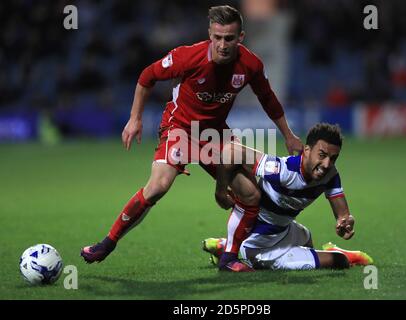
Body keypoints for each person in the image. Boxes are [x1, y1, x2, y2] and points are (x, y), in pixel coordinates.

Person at [80, 5, 303, 272]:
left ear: (240, 37)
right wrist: (135, 118)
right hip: (180, 128)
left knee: (250, 195)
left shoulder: (251, 65)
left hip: (214, 135)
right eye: (217, 37)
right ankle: (108, 242)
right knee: (159, 186)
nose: (222, 45)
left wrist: (288, 135)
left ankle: (229, 258)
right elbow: (146, 77)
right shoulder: (187, 57)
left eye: (229, 38)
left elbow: (268, 99)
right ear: (210, 34)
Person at [203, 123, 373, 270]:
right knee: (339, 261)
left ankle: (224, 246)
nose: (327, 164)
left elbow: (343, 214)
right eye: (322, 155)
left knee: (307, 238)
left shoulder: (331, 176)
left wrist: (345, 221)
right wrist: (221, 191)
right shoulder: (283, 170)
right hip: (262, 246)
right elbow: (231, 151)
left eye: (333, 158)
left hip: (284, 229)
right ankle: (232, 249)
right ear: (307, 150)